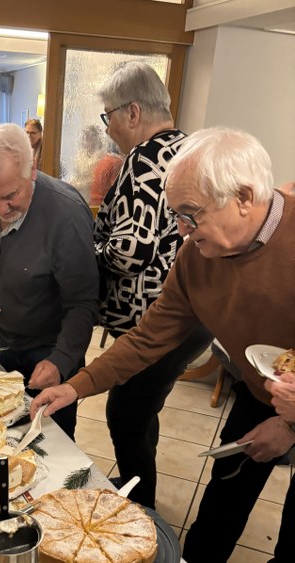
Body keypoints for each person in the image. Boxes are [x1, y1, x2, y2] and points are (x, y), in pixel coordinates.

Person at [32, 126, 295, 563]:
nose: (180, 230)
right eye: (176, 214)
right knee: (222, 502)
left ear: (244, 198)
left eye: (190, 214)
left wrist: (289, 427)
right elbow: (150, 336)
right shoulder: (197, 256)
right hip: (260, 391)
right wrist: (77, 386)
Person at [90, 61, 212, 508]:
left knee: (125, 411)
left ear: (133, 112)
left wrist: (89, 254)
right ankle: (137, 480)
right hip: (193, 313)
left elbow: (130, 252)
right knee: (143, 407)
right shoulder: (188, 147)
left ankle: (140, 508)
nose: (108, 129)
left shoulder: (144, 159)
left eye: (108, 116)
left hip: (154, 319)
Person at [0, 123, 99, 438]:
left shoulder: (66, 214)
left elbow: (83, 303)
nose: (1, 209)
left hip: (52, 348)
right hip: (6, 340)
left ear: (31, 169)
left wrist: (61, 361)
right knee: (7, 434)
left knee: (52, 440)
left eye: (11, 196)